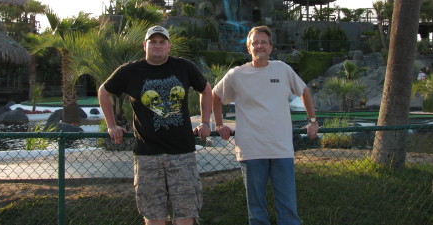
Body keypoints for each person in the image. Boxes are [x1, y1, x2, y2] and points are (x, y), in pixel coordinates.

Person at [98, 25, 213, 225]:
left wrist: (205, 122)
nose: (157, 46)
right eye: (153, 42)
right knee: (153, 214)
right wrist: (112, 125)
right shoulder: (130, 71)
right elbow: (104, 92)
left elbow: (206, 89)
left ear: (169, 46)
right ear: (145, 45)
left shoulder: (184, 67)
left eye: (162, 42)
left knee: (186, 212)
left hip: (182, 153)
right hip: (147, 155)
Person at [212, 25, 319, 225]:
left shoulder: (283, 69)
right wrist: (219, 124)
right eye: (255, 43)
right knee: (257, 212)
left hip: (282, 149)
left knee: (288, 209)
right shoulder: (236, 74)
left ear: (270, 47)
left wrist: (312, 121)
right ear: (248, 48)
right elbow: (215, 96)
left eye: (263, 42)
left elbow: (304, 91)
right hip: (251, 151)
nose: (259, 46)